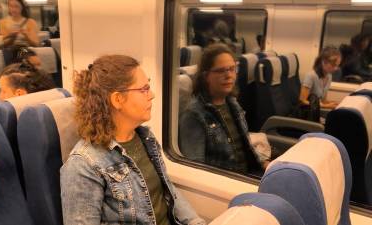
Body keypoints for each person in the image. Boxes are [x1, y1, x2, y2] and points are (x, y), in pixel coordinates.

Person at [60, 55, 205, 225]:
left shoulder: (146, 138)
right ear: (118, 100)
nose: (152, 95)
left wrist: (195, 222)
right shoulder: (84, 165)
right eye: (144, 89)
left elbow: (169, 192)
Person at [179, 43, 266, 174]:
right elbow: (195, 170)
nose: (229, 75)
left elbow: (243, 149)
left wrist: (264, 164)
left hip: (248, 174)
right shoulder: (194, 115)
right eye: (221, 71)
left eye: (232, 69)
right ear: (206, 76)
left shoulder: (233, 104)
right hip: (226, 182)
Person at [299, 46, 340, 110]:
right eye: (333, 65)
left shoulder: (329, 76)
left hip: (317, 111)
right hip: (307, 113)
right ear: (323, 62)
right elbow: (302, 101)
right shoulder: (311, 76)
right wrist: (326, 106)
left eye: (337, 65)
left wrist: (334, 103)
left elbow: (323, 100)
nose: (336, 68)